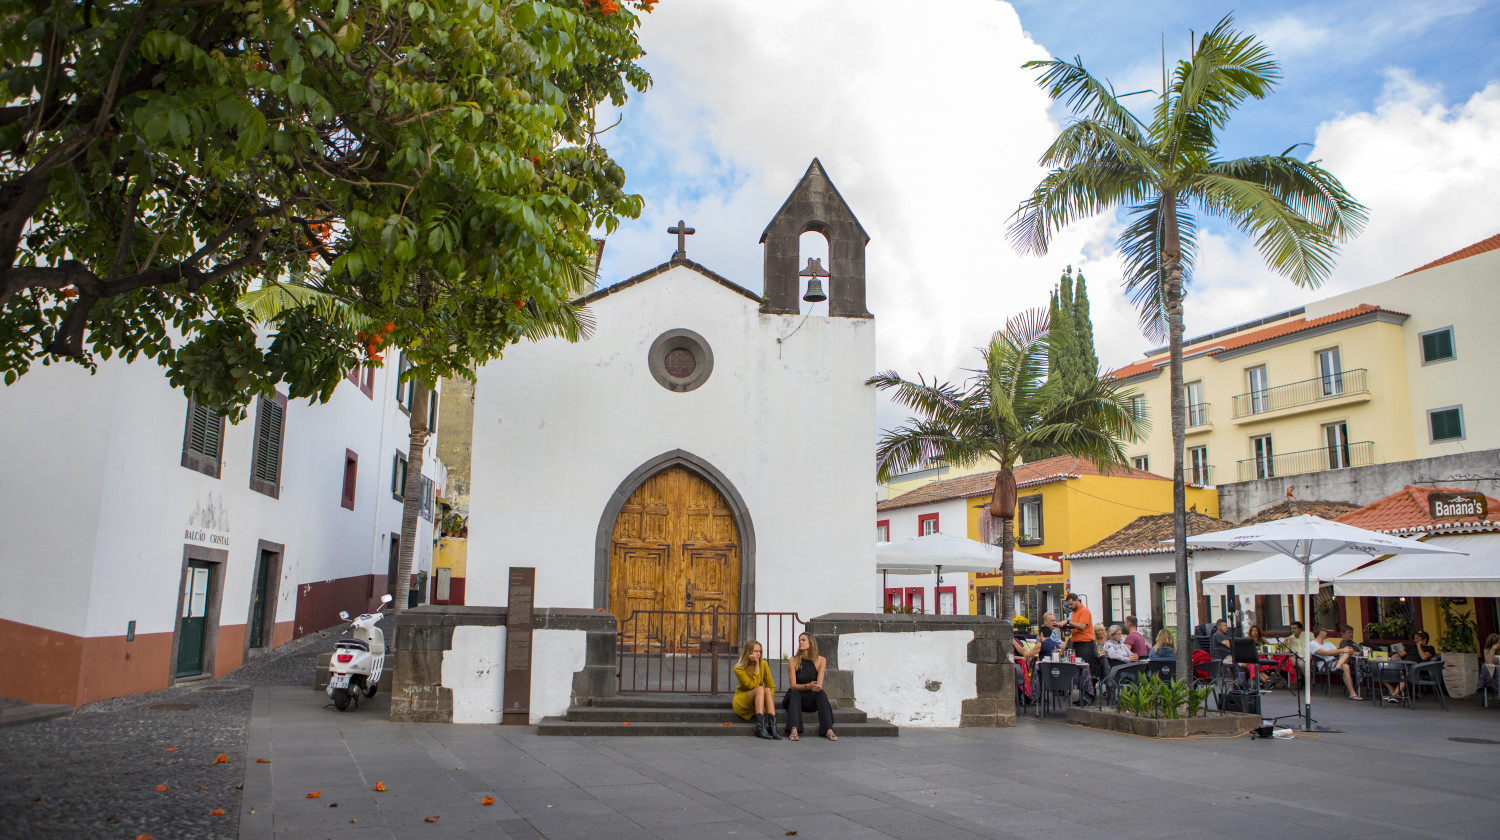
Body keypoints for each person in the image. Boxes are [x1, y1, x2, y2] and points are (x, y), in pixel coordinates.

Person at [783, 632, 836, 741]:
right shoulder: (793, 660)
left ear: (810, 643)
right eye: (799, 640)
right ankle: (794, 729)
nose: (800, 642)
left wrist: (816, 687)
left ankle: (828, 729)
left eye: (803, 640)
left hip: (811, 699)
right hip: (795, 698)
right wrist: (807, 686)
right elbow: (793, 686)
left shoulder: (821, 660)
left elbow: (819, 684)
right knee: (795, 692)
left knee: (821, 693)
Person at [733, 639, 780, 739]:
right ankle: (760, 728)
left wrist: (768, 703)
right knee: (759, 688)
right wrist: (757, 665)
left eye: (760, 651)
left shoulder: (764, 664)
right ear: (748, 652)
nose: (758, 654)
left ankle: (773, 727)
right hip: (743, 700)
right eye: (755, 651)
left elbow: (771, 686)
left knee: (766, 690)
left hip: (758, 698)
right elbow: (752, 686)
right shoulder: (739, 668)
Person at [1307, 626, 1362, 701]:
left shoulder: (1328, 643)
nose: (1327, 633)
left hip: (1334, 662)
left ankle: (1352, 694)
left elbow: (1338, 652)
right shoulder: (1312, 644)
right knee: (1345, 665)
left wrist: (1349, 650)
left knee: (1346, 656)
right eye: (1325, 631)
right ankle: (1352, 694)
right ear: (1321, 633)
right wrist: (1343, 650)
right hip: (1324, 665)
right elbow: (1324, 653)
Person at [1383, 629, 1437, 703]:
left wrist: (1419, 647)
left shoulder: (1429, 648)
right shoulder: (1412, 647)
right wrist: (1396, 655)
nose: (1415, 640)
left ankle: (1394, 696)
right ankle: (1392, 691)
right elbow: (1401, 654)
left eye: (1418, 639)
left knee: (1404, 675)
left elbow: (1424, 657)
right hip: (1404, 665)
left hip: (1416, 669)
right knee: (1382, 671)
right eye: (1415, 638)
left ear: (1424, 640)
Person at [1059, 593, 1096, 668]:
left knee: (1084, 667)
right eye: (1068, 605)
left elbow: (1082, 626)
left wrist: (1068, 621)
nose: (1070, 606)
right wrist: (1066, 629)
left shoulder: (1084, 610)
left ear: (1077, 601)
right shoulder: (1074, 612)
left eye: (1071, 604)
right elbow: (1076, 627)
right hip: (1076, 644)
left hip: (1085, 644)